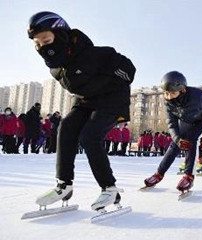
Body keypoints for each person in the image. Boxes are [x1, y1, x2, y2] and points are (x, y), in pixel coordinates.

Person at [28, 11, 136, 211]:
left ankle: (109, 188)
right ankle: (64, 185)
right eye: (38, 44)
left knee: (90, 136)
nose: (43, 47)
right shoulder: (56, 69)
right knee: (66, 127)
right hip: (86, 100)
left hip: (112, 98)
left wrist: (110, 82)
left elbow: (128, 69)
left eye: (46, 39)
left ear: (60, 35)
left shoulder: (92, 54)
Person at [144, 71, 202, 192]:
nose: (169, 96)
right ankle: (159, 174)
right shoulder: (168, 102)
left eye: (173, 93)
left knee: (191, 140)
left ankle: (189, 176)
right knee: (175, 144)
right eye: (166, 93)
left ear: (183, 91)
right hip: (186, 121)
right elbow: (172, 123)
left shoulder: (199, 98)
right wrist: (177, 139)